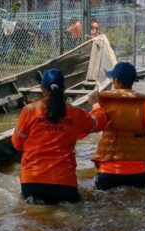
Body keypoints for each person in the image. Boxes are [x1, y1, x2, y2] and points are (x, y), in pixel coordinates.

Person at [12, 69, 107, 204]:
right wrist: (96, 104)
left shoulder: (29, 111)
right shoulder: (76, 113)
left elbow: (17, 143)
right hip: (64, 185)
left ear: (42, 89)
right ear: (64, 89)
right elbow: (99, 123)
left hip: (31, 184)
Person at [91, 62, 145, 191]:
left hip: (109, 171)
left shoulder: (104, 103)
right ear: (133, 81)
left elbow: (93, 125)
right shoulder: (144, 104)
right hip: (138, 173)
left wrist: (95, 105)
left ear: (115, 81)